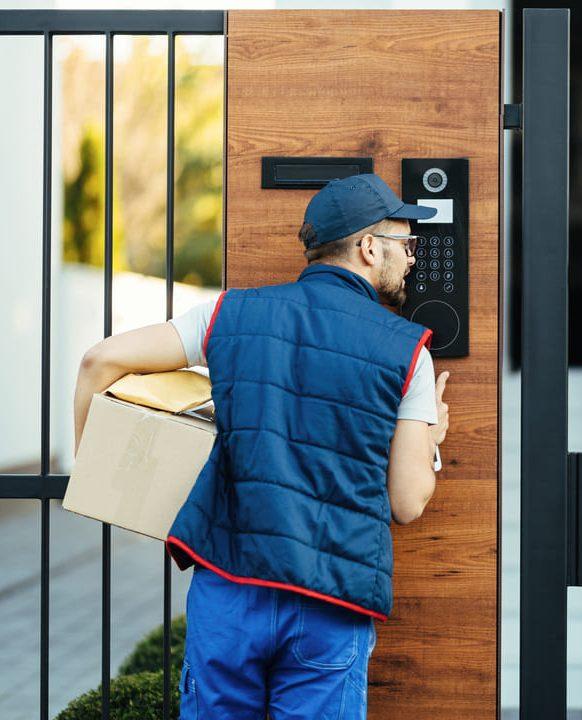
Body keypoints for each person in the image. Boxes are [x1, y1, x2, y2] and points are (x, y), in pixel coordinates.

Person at [73, 173, 451, 720]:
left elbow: (97, 362)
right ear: (369, 248)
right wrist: (431, 437)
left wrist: (95, 480)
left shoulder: (227, 314)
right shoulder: (408, 351)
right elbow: (407, 501)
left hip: (230, 587)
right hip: (332, 600)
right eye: (407, 244)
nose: (413, 259)